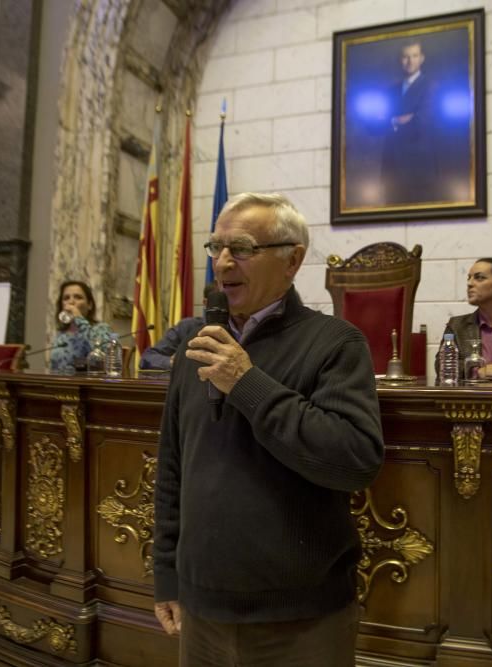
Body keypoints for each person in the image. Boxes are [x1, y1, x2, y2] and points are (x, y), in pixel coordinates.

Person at [152, 192, 384, 666]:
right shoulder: (195, 347)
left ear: (292, 260)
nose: (222, 262)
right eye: (215, 247)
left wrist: (247, 383)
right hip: (202, 612)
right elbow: (173, 468)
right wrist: (168, 576)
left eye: (240, 248)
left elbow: (354, 460)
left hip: (301, 618)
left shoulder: (335, 343)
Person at [380, 40, 441, 205]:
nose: (410, 61)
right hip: (392, 169)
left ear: (422, 58)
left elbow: (422, 123)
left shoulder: (431, 86)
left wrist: (393, 121)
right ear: (400, 60)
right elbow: (377, 124)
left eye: (414, 56)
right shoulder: (391, 90)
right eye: (406, 56)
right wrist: (399, 119)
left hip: (419, 170)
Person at [139, 283, 219, 371]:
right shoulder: (187, 327)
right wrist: (172, 362)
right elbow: (148, 357)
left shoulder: (235, 329)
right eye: (219, 301)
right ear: (205, 303)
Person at [49, 280, 112, 373]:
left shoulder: (101, 329)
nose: (71, 302)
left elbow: (101, 362)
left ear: (89, 305)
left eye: (78, 297)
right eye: (66, 298)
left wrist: (79, 318)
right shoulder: (61, 335)